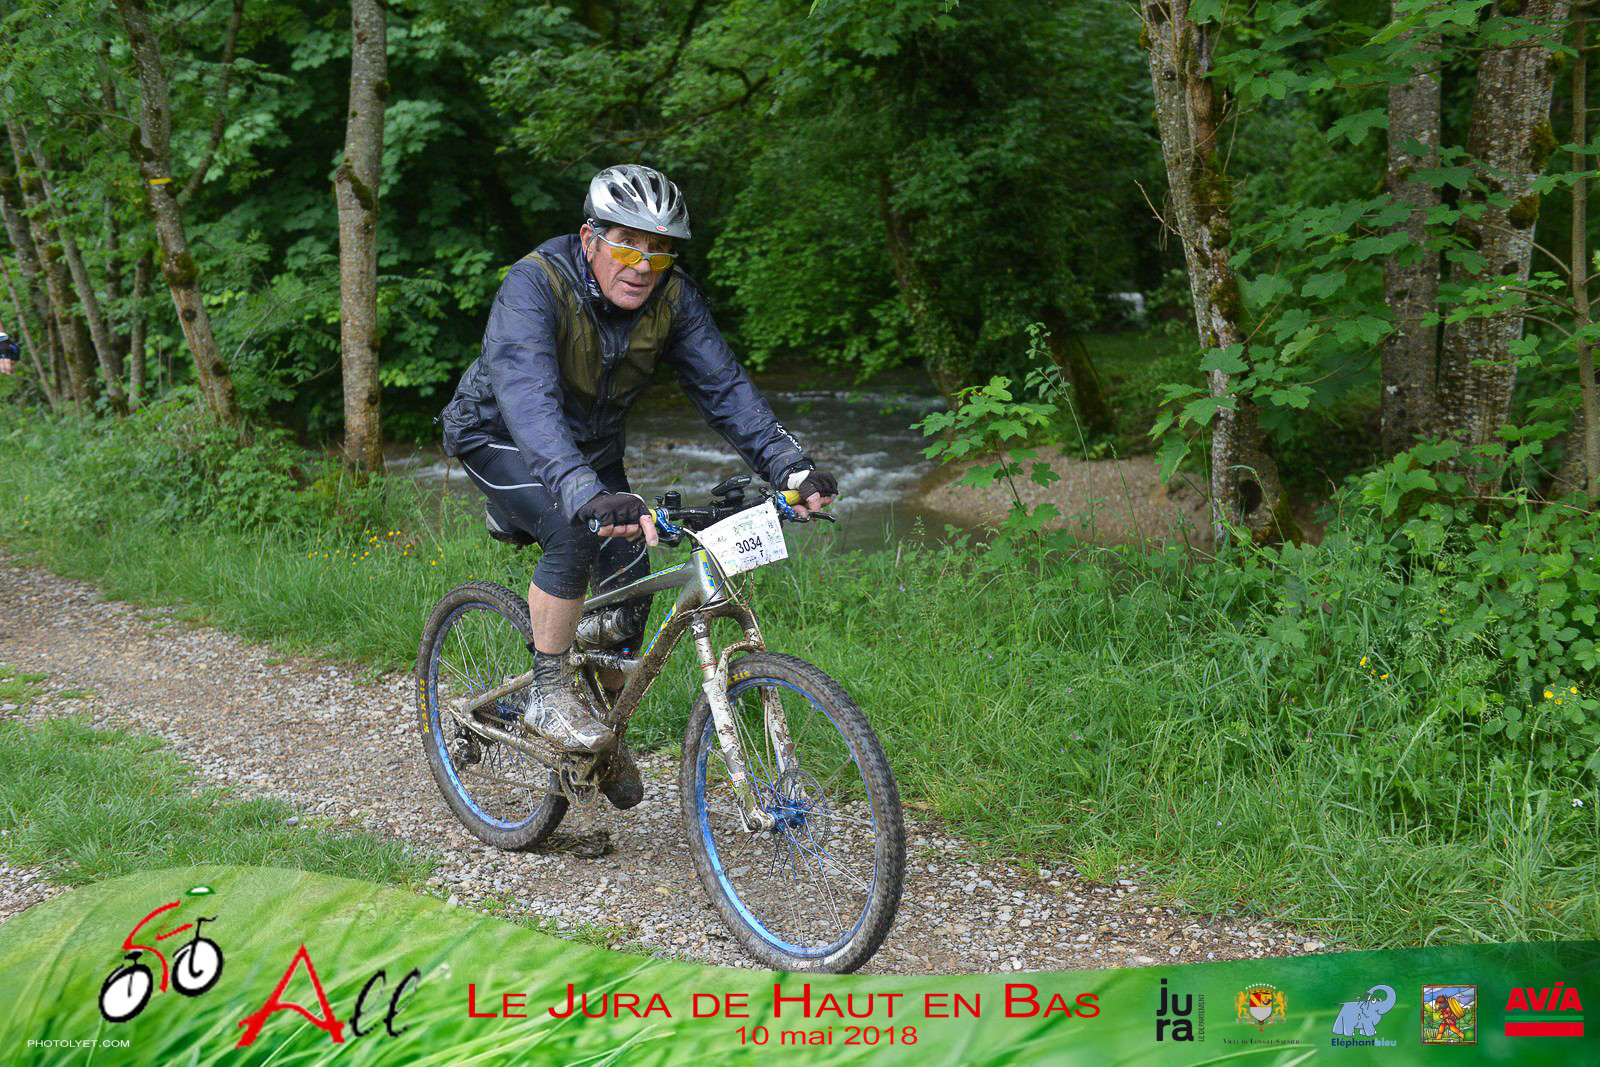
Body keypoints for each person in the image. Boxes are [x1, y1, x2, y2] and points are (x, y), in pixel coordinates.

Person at [439, 164, 837, 807]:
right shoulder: (534, 285)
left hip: (591, 452)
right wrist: (582, 492)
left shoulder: (674, 298)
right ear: (589, 238)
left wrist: (788, 465)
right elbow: (528, 399)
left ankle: (602, 726)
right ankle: (548, 691)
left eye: (660, 249)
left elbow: (724, 388)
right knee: (573, 530)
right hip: (500, 435)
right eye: (627, 244)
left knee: (630, 569)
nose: (643, 265)